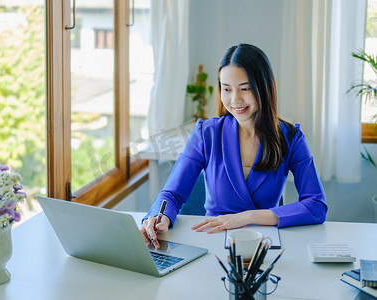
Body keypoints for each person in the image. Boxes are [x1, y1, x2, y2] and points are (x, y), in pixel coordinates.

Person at [140, 43, 328, 249]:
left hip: (264, 244)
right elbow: (172, 194)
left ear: (263, 88)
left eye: (245, 89)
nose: (235, 99)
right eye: (226, 89)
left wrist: (246, 217)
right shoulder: (206, 133)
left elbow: (316, 206)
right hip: (212, 241)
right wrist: (160, 217)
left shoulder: (291, 137)